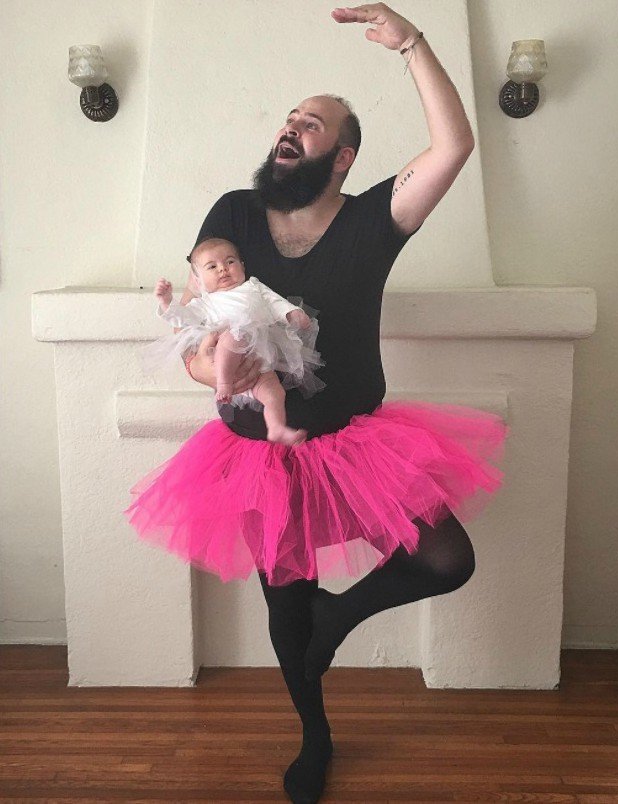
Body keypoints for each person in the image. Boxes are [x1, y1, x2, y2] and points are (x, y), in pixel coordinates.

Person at [126, 5, 510, 802]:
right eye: (289, 118)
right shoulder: (234, 213)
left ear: (343, 156)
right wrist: (214, 373)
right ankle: (315, 736)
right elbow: (200, 329)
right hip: (258, 447)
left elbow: (454, 147)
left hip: (356, 442)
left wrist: (411, 43)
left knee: (446, 558)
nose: (290, 128)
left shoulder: (377, 217)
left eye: (312, 123)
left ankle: (341, 619)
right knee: (286, 599)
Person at [147, 237, 325, 445]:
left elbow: (275, 302)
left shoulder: (254, 287)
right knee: (234, 337)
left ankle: (276, 427)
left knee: (275, 393)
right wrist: (167, 301)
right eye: (212, 267)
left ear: (243, 266)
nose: (223, 269)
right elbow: (183, 318)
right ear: (198, 281)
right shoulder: (205, 303)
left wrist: (292, 313)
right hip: (228, 360)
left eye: (230, 261)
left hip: (260, 363)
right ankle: (224, 384)